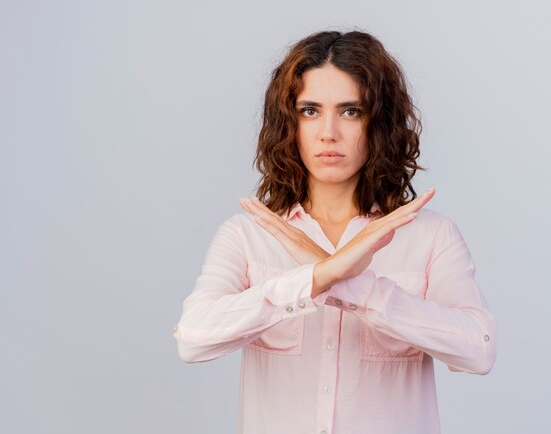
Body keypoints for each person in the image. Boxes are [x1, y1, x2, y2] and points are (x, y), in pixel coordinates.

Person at [172, 29, 497, 434]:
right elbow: (194, 338)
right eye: (310, 111)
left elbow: (478, 349)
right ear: (288, 122)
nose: (328, 132)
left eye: (350, 111)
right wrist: (317, 277)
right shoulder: (247, 236)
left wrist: (356, 287)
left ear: (379, 122)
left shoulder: (430, 236)